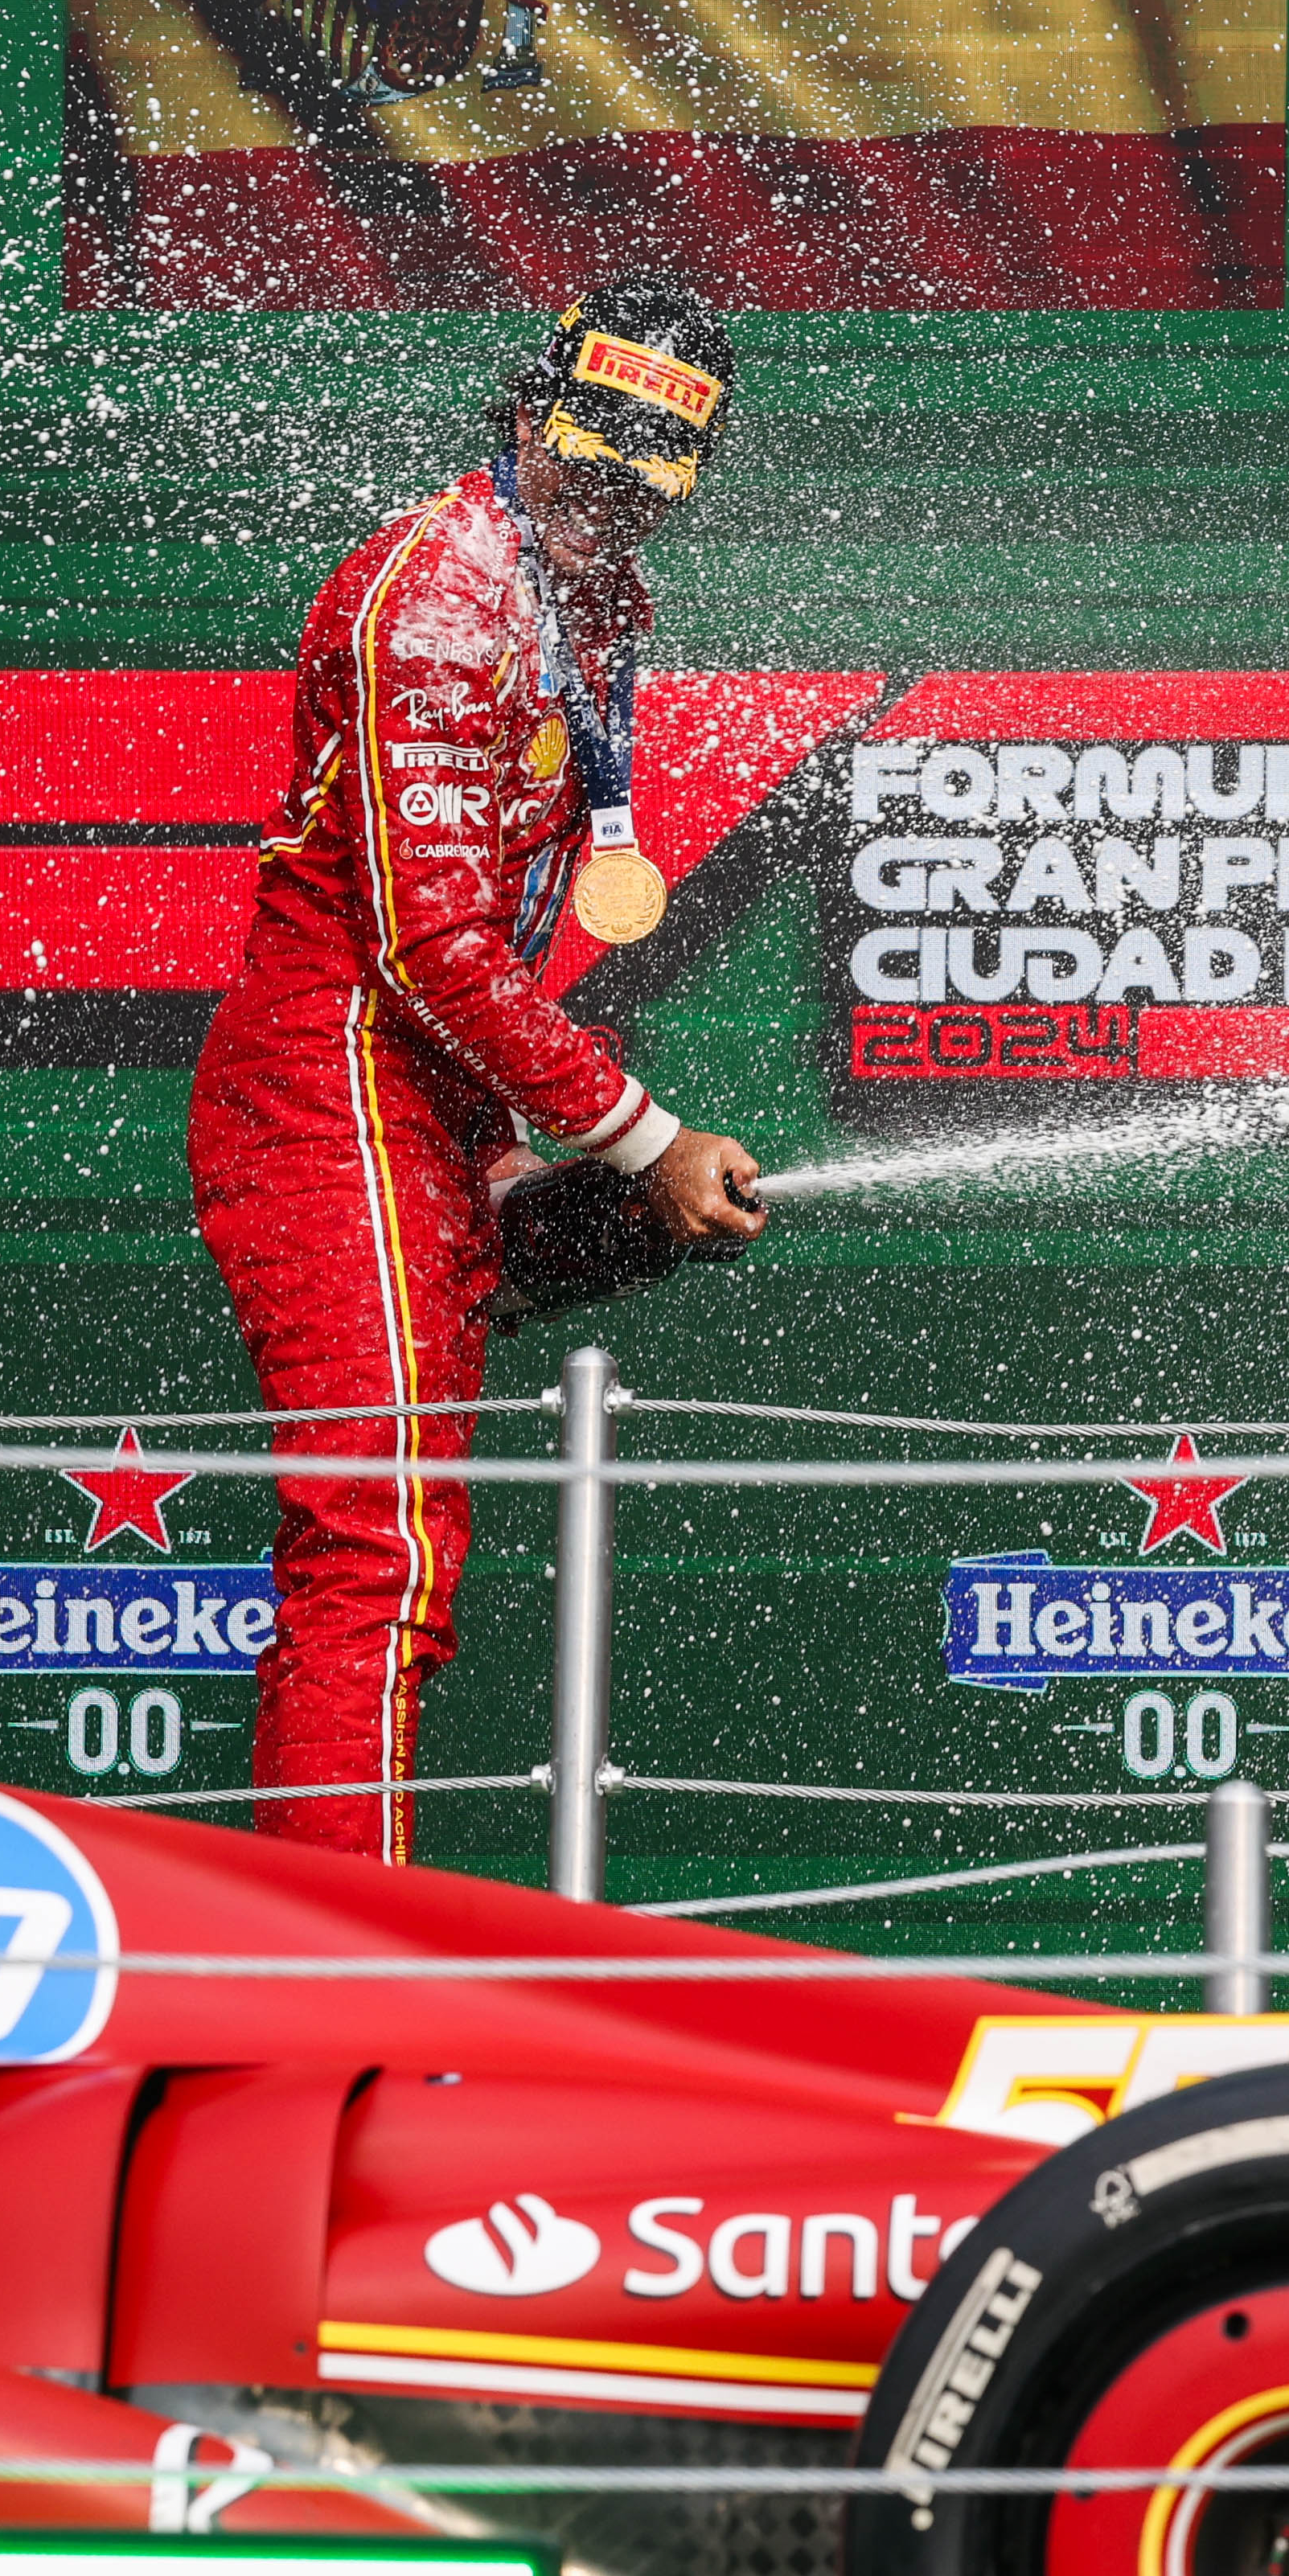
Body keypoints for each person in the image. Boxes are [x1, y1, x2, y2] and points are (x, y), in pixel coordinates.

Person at [190, 281, 770, 1860]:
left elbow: (477, 946)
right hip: (330, 1085)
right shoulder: (445, 601)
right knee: (371, 1549)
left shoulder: (600, 601)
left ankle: (346, 1941)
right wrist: (642, 1138)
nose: (606, 505)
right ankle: (329, 1977)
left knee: (405, 1556)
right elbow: (428, 948)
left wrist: (522, 1162)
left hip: (425, 1102)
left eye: (641, 479)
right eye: (582, 466)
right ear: (525, 418)